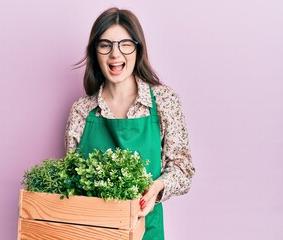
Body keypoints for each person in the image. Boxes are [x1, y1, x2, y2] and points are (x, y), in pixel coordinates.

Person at [65, 7, 195, 240]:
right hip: (91, 233)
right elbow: (72, 179)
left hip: (146, 231)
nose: (115, 54)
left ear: (138, 48)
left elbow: (182, 169)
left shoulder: (164, 101)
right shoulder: (81, 111)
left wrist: (156, 189)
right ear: (96, 52)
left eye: (125, 44)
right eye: (105, 45)